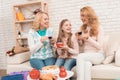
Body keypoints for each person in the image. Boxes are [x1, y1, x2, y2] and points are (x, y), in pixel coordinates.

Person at [76, 6, 105, 80]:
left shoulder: (99, 27)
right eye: (81, 15)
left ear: (89, 16)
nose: (81, 18)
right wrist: (79, 39)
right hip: (87, 56)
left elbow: (99, 46)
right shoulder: (83, 28)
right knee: (87, 65)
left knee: (80, 56)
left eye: (83, 15)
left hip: (98, 55)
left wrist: (88, 38)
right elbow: (82, 45)